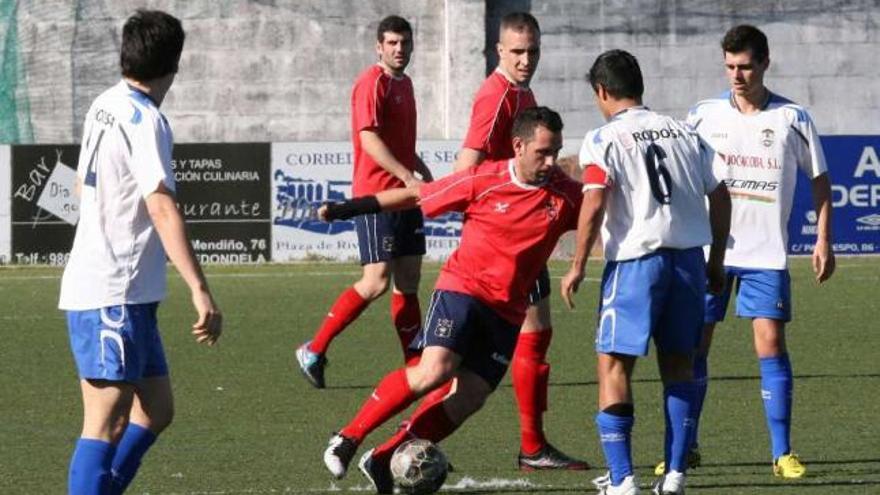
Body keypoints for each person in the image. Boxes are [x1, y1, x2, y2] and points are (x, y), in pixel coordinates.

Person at [319, 107, 584, 493]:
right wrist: (349, 209)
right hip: (464, 289)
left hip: (507, 313)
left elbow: (602, 209)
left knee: (471, 397)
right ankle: (348, 437)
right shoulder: (484, 178)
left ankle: (382, 456)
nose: (550, 162)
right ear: (518, 146)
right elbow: (416, 195)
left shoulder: (565, 194)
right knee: (435, 370)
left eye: (555, 152)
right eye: (542, 152)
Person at [653, 24, 835, 480]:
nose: (737, 75)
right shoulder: (703, 115)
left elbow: (820, 182)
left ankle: (782, 452)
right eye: (730, 66)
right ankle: (683, 449)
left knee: (770, 345)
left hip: (766, 254)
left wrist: (823, 239)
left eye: (746, 66)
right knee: (694, 347)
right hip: (710, 251)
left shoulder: (793, 118)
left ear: (765, 63)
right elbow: (679, 173)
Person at [58, 10, 223, 495]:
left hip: (127, 291)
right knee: (104, 421)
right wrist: (200, 289)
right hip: (112, 290)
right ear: (173, 63)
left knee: (156, 408)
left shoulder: (104, 102)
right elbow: (161, 205)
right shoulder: (146, 119)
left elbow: (86, 187)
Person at [560, 50, 731, 495]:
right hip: (689, 264)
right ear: (640, 87)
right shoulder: (684, 132)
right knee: (679, 364)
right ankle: (674, 477)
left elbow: (594, 200)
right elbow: (723, 193)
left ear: (601, 92)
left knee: (613, 365)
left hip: (637, 264)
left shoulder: (604, 138)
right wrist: (715, 262)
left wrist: (577, 264)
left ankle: (622, 480)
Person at [447, 11, 587, 471]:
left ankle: (533, 444)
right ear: (499, 52)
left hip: (521, 233)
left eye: (533, 52)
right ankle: (531, 446)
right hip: (505, 237)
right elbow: (465, 170)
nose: (527, 60)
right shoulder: (497, 95)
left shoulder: (521, 91)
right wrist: (497, 219)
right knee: (454, 366)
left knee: (535, 330)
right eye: (518, 52)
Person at [295, 15, 434, 388]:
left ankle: (416, 364)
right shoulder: (371, 82)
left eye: (404, 42)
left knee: (409, 280)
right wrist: (406, 176)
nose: (399, 49)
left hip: (407, 195)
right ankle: (314, 348)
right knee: (376, 281)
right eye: (391, 43)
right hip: (376, 196)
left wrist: (422, 171)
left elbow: (402, 143)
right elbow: (369, 139)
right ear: (379, 46)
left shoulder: (406, 85)